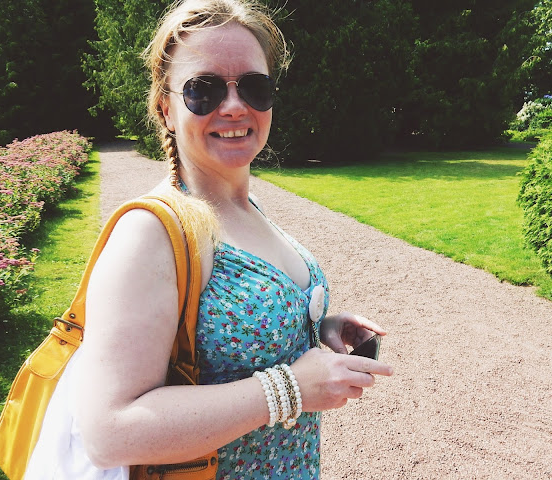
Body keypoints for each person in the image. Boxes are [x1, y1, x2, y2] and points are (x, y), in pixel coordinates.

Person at [73, 0, 394, 478]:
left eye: (254, 86)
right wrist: (288, 390)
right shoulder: (150, 232)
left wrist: (312, 325)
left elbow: (222, 337)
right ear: (166, 109)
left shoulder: (247, 207)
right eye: (203, 89)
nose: (235, 106)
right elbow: (110, 431)